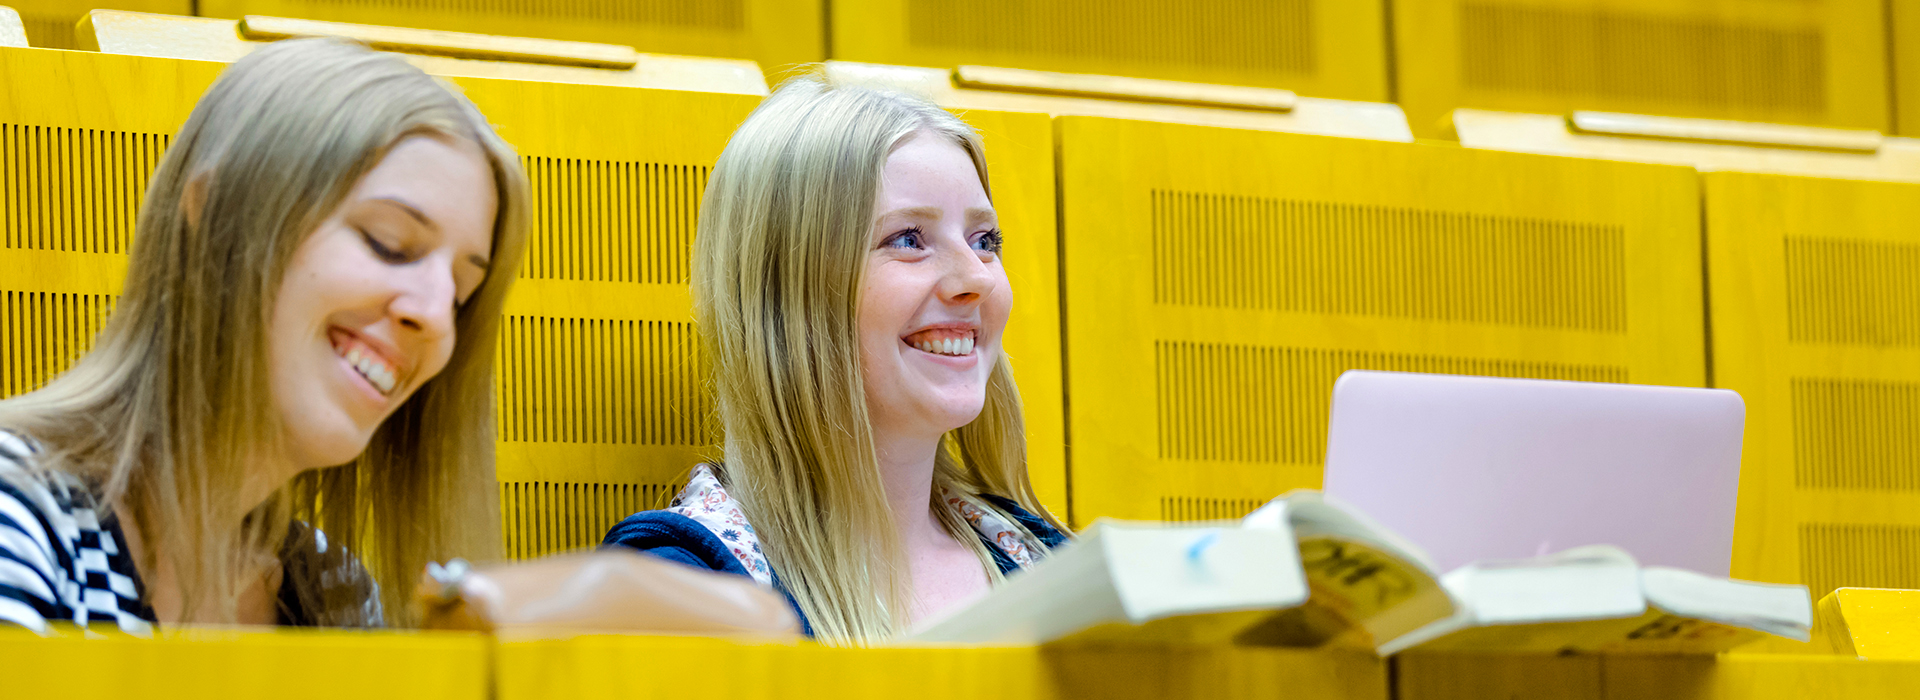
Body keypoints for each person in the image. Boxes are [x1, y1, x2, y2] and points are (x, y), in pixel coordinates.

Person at [0, 38, 528, 633]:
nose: (435, 316)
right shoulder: (15, 509)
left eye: (460, 292)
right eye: (387, 241)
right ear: (217, 215)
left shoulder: (335, 591)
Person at [603, 75, 1067, 645]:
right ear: (789, 293)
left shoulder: (1049, 565)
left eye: (985, 240)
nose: (976, 278)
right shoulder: (681, 588)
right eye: (908, 239)